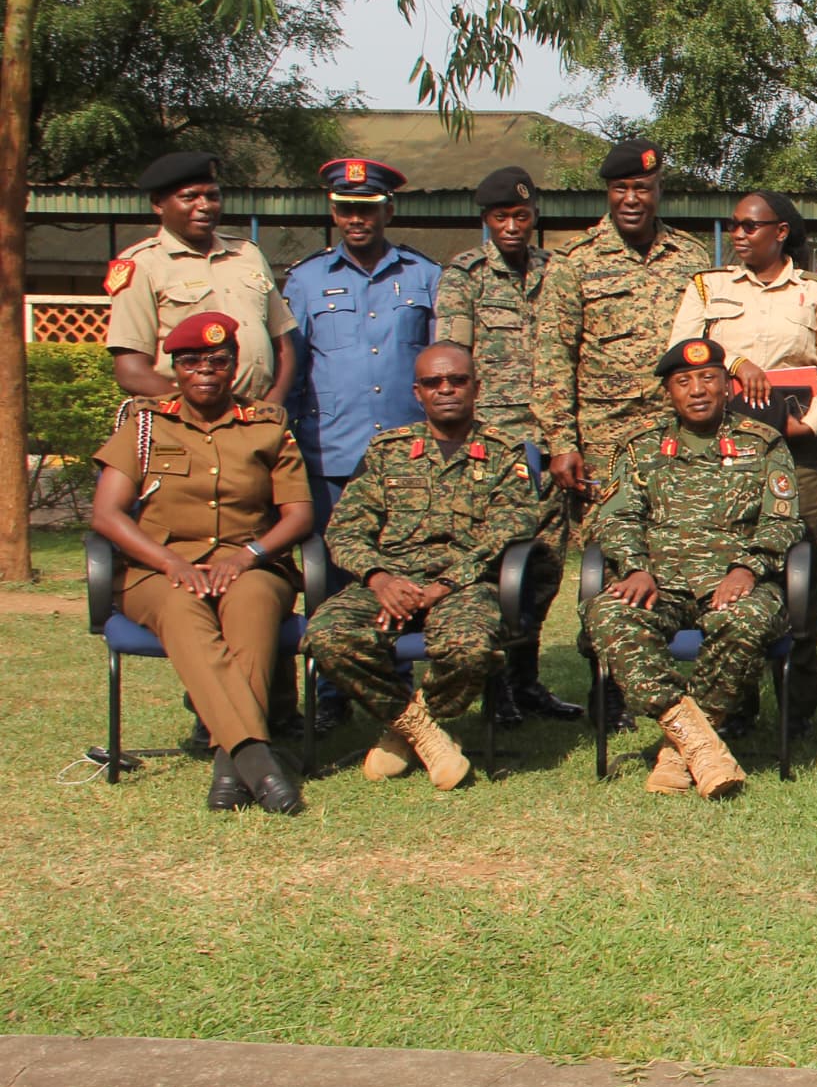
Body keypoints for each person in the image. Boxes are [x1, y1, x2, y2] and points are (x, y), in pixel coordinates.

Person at [89, 312, 315, 813]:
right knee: (182, 611)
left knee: (253, 607)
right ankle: (254, 758)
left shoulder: (266, 425)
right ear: (174, 368)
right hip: (157, 571)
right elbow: (106, 514)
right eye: (191, 361)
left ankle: (229, 768)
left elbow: (299, 514)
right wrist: (171, 564)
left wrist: (250, 557)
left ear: (234, 366)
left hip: (250, 565)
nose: (205, 371)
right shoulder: (147, 423)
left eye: (218, 360)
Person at [305, 344, 546, 792]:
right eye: (433, 383)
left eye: (457, 380)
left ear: (476, 387)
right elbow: (345, 529)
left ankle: (406, 729)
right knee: (327, 634)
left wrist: (446, 583)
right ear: (418, 393)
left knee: (470, 649)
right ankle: (423, 731)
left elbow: (513, 528)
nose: (446, 389)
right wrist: (379, 578)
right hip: (389, 582)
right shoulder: (387, 450)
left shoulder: (504, 451)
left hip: (464, 585)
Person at [670, 190, 817, 736]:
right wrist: (735, 363)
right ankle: (733, 704)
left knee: (803, 568)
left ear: (780, 232)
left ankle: (794, 708)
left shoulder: (816, 294)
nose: (738, 234)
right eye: (734, 224)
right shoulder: (707, 288)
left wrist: (812, 423)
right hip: (726, 454)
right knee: (729, 562)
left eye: (750, 226)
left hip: (801, 452)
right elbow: (679, 350)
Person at [533, 139, 711, 732]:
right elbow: (553, 358)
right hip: (604, 445)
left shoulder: (689, 257)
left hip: (675, 443)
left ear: (659, 191)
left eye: (643, 188)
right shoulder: (574, 261)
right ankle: (606, 688)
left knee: (675, 553)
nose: (632, 199)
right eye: (621, 189)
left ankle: (682, 683)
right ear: (608, 193)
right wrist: (562, 442)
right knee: (608, 562)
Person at [584, 337, 804, 799]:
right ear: (669, 391)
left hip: (733, 582)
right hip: (656, 582)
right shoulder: (640, 446)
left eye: (708, 378)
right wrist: (635, 567)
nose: (698, 390)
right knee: (608, 614)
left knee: (748, 620)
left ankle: (675, 751)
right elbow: (616, 517)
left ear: (727, 385)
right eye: (684, 381)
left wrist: (748, 568)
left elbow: (783, 520)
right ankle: (694, 739)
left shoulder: (762, 443)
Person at [436, 165, 582, 727]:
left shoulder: (556, 271)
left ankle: (527, 681)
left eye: (522, 215)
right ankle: (495, 687)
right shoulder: (466, 276)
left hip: (550, 439)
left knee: (543, 566)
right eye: (501, 217)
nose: (513, 226)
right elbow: (452, 362)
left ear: (534, 215)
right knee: (493, 563)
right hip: (492, 445)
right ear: (486, 220)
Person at [282, 158, 443, 518]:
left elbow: (440, 364)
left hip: (410, 446)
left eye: (367, 209)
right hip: (332, 449)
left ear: (389, 212)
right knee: (333, 550)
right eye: (346, 209)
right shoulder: (305, 280)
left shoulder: (425, 275)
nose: (356, 219)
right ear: (334, 213)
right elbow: (292, 367)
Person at [104, 151, 298, 405]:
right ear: (158, 203)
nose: (205, 206)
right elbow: (131, 371)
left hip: (256, 415)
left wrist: (272, 405)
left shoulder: (247, 254)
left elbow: (283, 346)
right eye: (189, 197)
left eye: (213, 196)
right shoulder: (143, 265)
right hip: (184, 420)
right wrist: (203, 415)